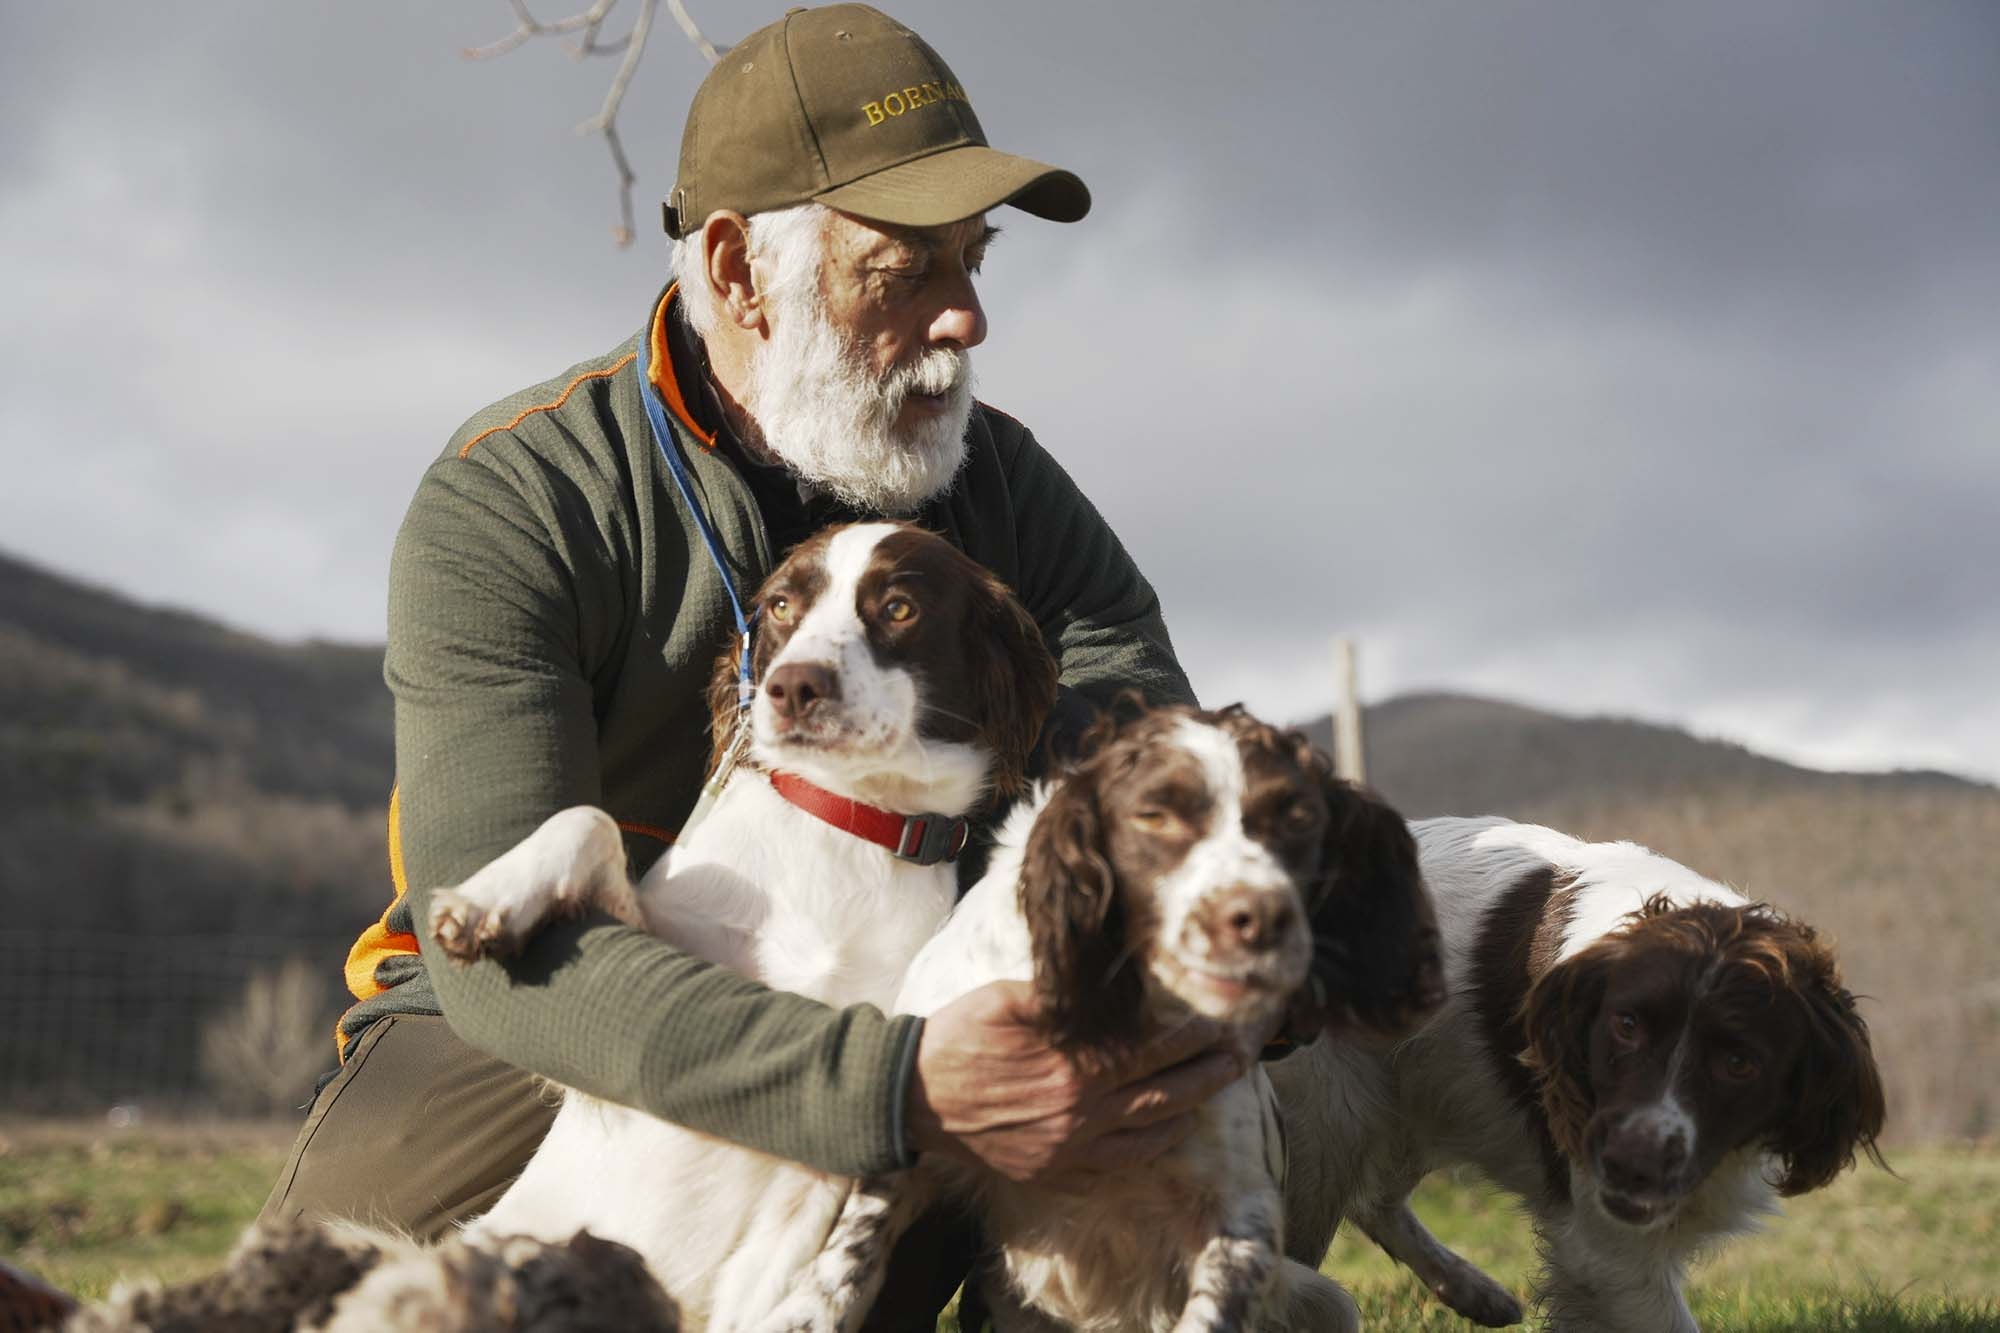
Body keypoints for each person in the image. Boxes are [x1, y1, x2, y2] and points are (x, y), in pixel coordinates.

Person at [259, 4, 1236, 1325]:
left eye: (975, 258)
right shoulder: (522, 496)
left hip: (902, 992)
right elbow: (495, 949)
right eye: (904, 271)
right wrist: (889, 1085)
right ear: (737, 271)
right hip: (532, 1011)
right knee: (333, 1273)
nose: (967, 318)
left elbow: (1147, 744)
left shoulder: (1000, 485)